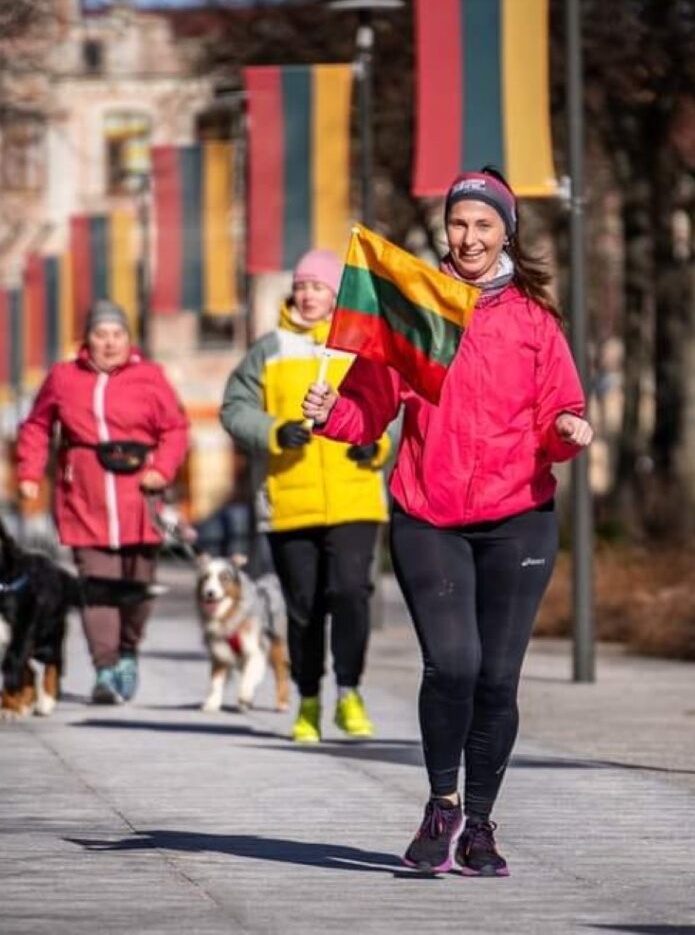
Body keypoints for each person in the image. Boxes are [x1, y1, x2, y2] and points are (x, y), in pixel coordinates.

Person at [302, 167, 595, 876]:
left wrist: (569, 431)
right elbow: (368, 407)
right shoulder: (416, 306)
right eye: (459, 223)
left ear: (506, 233)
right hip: (428, 513)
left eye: (483, 225)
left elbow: (563, 414)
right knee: (453, 664)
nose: (468, 237)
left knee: (497, 679)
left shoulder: (533, 320)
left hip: (518, 516)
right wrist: (330, 415)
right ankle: (442, 802)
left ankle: (483, 826)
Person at [220, 249, 393, 743]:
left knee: (351, 594)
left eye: (319, 287)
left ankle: (350, 692)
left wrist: (376, 443)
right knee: (304, 607)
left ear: (337, 296)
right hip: (289, 500)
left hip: (354, 495)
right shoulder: (268, 350)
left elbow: (395, 406)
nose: (308, 295)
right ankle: (308, 701)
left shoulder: (362, 346)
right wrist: (274, 431)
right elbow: (234, 408)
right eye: (302, 286)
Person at [16, 300, 189, 705]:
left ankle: (128, 651)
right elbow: (38, 425)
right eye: (101, 334)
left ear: (129, 339)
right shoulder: (63, 378)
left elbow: (176, 428)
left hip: (140, 499)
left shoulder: (151, 377)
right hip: (84, 498)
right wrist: (28, 472)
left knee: (138, 588)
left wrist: (162, 470)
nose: (109, 343)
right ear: (86, 338)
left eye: (117, 334)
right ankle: (106, 669)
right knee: (96, 588)